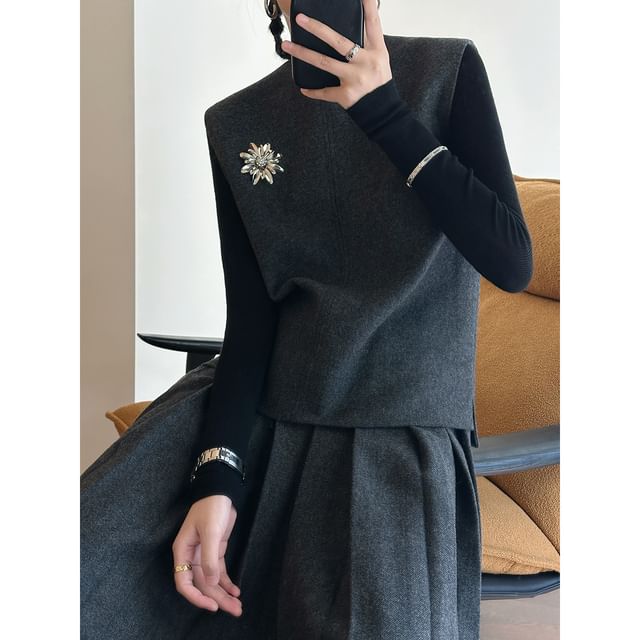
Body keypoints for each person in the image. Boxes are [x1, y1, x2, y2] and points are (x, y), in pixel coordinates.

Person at [81, 1, 533, 638]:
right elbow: (251, 322)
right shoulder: (235, 121)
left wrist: (384, 113)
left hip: (396, 430)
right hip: (266, 413)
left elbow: (510, 262)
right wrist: (216, 478)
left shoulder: (445, 71)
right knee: (87, 564)